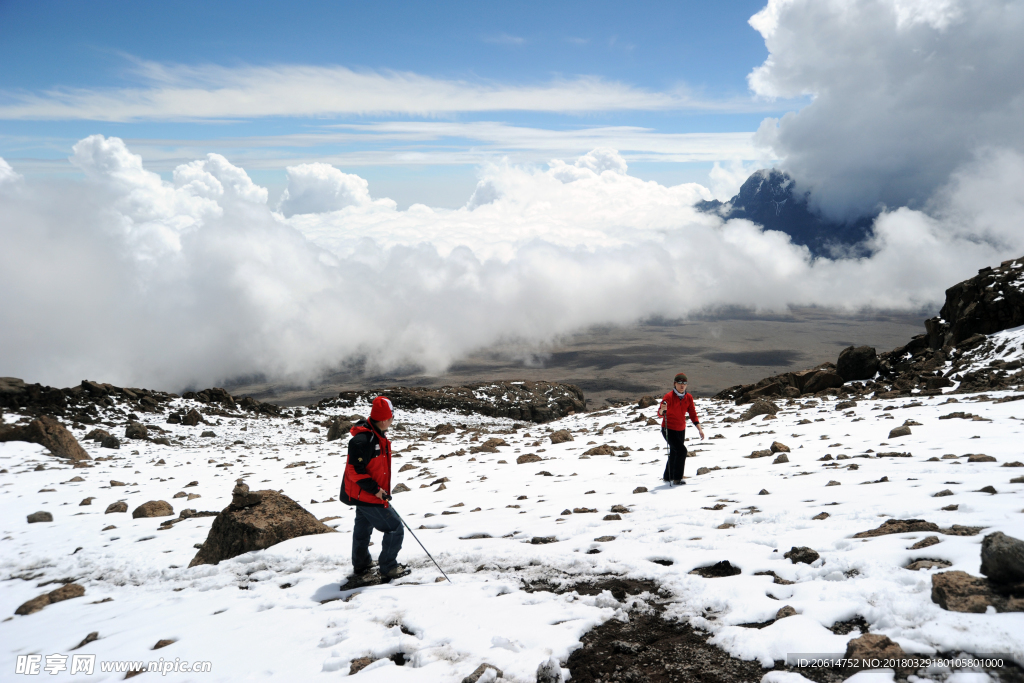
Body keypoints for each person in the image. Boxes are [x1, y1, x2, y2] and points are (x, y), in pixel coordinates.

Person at [340, 396, 406, 580]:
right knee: (394, 528)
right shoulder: (363, 440)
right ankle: (388, 567)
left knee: (363, 527)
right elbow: (354, 471)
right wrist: (376, 490)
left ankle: (361, 565)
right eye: (392, 416)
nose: (393, 420)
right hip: (368, 495)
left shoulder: (375, 434)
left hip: (365, 494)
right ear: (385, 419)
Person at [657, 373, 704, 485]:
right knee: (681, 451)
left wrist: (699, 428)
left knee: (675, 451)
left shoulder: (688, 397)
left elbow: (692, 413)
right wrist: (662, 410)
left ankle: (668, 477)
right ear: (675, 384)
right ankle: (677, 478)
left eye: (684, 383)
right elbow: (660, 413)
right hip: (668, 429)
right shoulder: (668, 397)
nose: (682, 385)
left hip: (681, 429)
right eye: (680, 383)